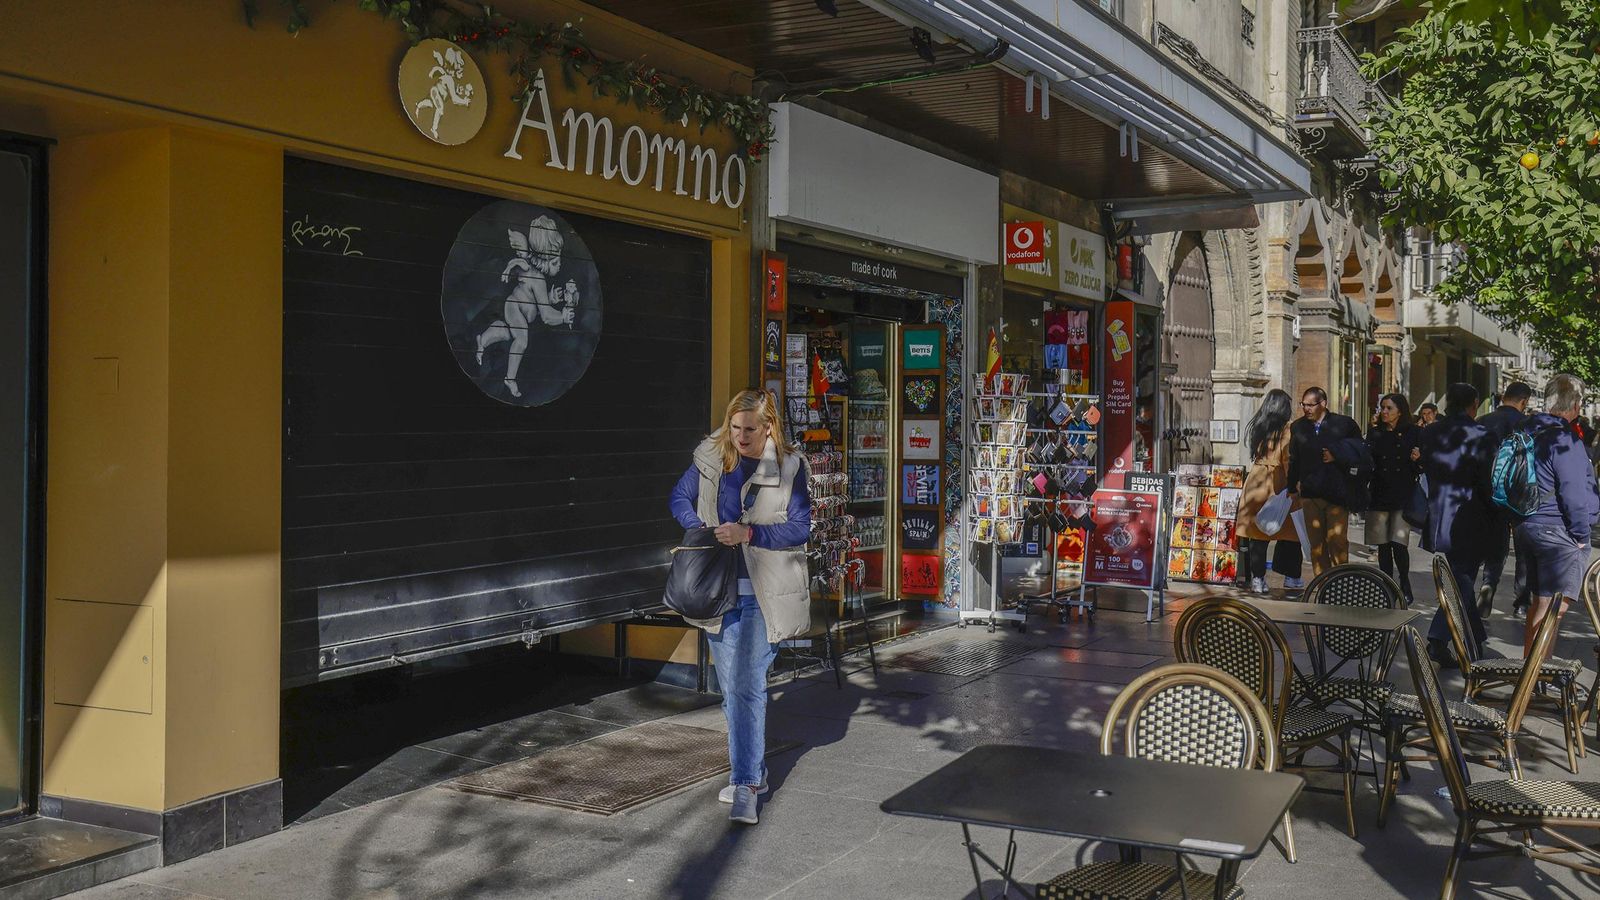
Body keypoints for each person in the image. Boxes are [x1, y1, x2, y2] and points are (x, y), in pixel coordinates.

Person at [668, 390, 811, 825]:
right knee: (732, 688)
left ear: (769, 427)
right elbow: (678, 498)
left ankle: (746, 782)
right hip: (716, 590)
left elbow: (800, 528)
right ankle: (758, 771)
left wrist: (749, 535)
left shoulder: (788, 466)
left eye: (750, 429)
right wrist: (704, 529)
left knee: (746, 685)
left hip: (762, 594)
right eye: (735, 428)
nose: (741, 436)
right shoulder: (712, 458)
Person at [1511, 374, 1598, 655]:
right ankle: (1536, 676)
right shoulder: (1564, 439)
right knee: (1554, 609)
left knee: (1541, 603)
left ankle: (1532, 673)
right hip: (1556, 531)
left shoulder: (1527, 430)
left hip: (1528, 524)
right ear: (1574, 404)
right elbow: (1573, 493)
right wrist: (1582, 537)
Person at [1419, 382, 1497, 666]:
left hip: (1440, 511)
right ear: (1473, 404)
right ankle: (1447, 639)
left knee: (1460, 577)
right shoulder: (1482, 435)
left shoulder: (1431, 432)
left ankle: (1466, 639)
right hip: (1470, 514)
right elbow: (1487, 481)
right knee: (1462, 578)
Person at [1287, 387, 1363, 577]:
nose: (1306, 409)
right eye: (1303, 405)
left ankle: (1340, 582)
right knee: (1316, 545)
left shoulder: (1344, 425)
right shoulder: (1298, 427)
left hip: (1337, 493)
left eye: (1311, 405)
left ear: (1323, 404)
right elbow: (1294, 459)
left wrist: (1337, 456)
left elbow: (1359, 452)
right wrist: (1291, 487)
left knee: (1337, 541)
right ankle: (1322, 583)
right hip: (1310, 493)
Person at [1473, 381, 1532, 618]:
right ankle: (1522, 602)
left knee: (1494, 545)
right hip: (1517, 495)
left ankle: (1488, 584)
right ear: (1524, 401)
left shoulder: (1483, 422)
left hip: (1485, 493)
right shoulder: (1526, 424)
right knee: (1522, 551)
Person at [1237, 389, 1305, 593]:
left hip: (1256, 483)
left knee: (1258, 535)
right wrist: (1295, 486)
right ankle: (1292, 577)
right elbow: (1287, 458)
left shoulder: (1259, 426)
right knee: (1292, 535)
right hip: (1278, 483)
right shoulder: (1288, 429)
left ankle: (1258, 579)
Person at [1365, 392, 1422, 604]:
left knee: (1399, 544)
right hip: (1379, 493)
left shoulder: (1413, 433)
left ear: (1400, 410)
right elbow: (1368, 462)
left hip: (1402, 494)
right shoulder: (1375, 433)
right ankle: (1387, 584)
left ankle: (1404, 583)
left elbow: (1421, 466)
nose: (1384, 412)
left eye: (1389, 408)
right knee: (1382, 544)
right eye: (1382, 408)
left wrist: (1418, 459)